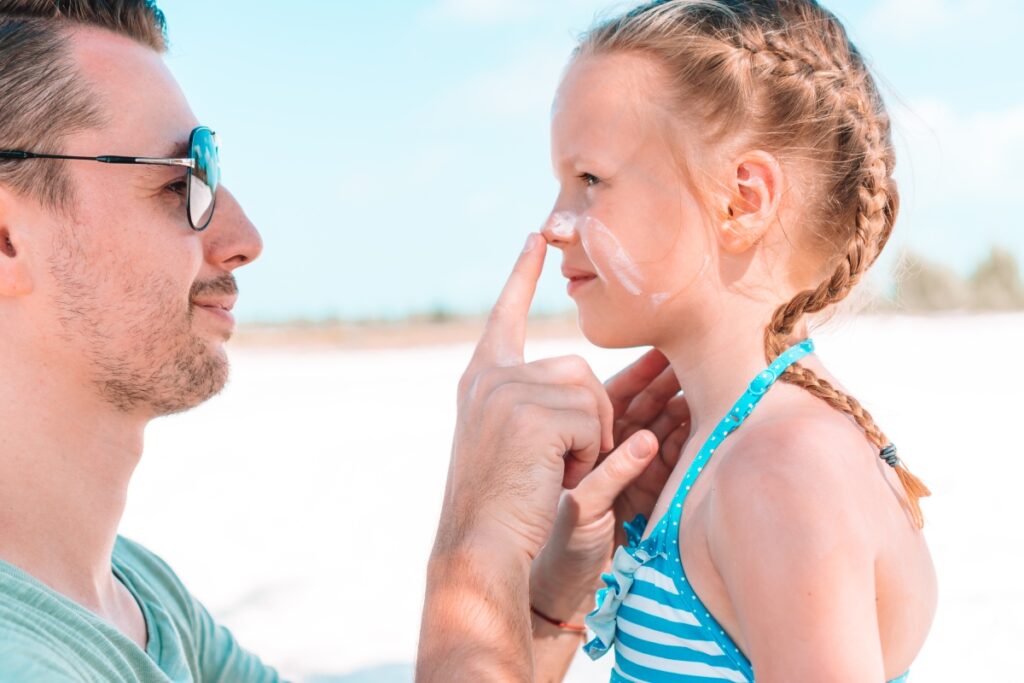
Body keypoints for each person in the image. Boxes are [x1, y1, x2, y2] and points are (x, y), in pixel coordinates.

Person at [0, 2, 689, 681]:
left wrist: (540, 602)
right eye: (184, 181)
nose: (245, 239)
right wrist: (474, 548)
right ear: (7, 237)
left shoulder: (137, 594)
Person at [525, 1, 939, 681]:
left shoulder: (776, 471)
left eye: (591, 180)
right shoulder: (731, 448)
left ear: (742, 200)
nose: (553, 225)